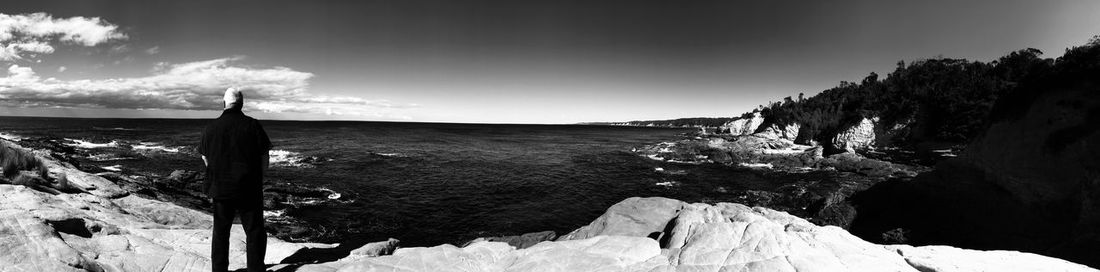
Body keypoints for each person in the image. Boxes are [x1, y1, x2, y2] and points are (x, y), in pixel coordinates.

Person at [199, 87, 272, 272]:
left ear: (224, 103)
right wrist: (260, 177)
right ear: (241, 104)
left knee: (220, 233)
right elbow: (264, 155)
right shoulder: (253, 125)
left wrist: (217, 171)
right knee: (254, 231)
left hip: (220, 188)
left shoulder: (210, 128)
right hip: (249, 187)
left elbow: (205, 156)